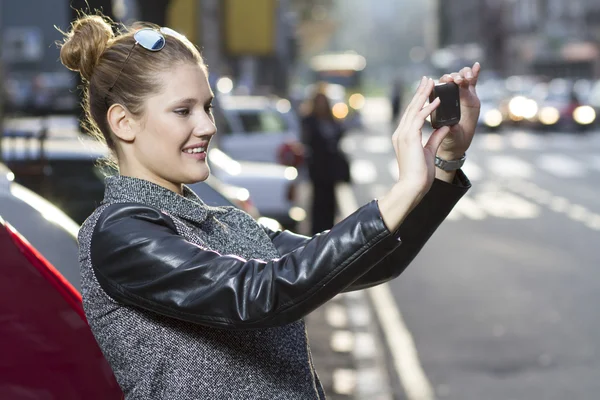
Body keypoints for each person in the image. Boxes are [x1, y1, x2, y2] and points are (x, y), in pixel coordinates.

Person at [60, 13, 480, 400]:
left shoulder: (225, 223)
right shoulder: (119, 234)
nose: (207, 126)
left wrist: (441, 165)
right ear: (123, 122)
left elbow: (374, 260)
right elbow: (258, 294)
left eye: (206, 107)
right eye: (182, 111)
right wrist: (403, 188)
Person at [301, 91, 351, 234]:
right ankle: (316, 233)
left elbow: (340, 135)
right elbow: (307, 141)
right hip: (317, 168)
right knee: (318, 203)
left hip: (331, 170)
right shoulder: (309, 120)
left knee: (330, 203)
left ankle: (329, 230)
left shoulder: (332, 120)